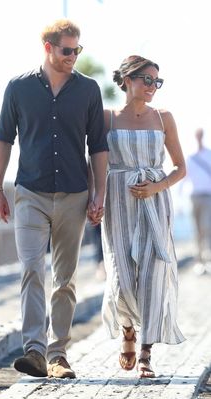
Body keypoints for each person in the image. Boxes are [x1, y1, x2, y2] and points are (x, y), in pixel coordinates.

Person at [0, 19, 108, 379]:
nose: (73, 56)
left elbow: (98, 146)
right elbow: (3, 139)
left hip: (74, 195)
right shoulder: (18, 87)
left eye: (77, 50)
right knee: (31, 270)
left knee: (66, 278)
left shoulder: (88, 90)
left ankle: (58, 354)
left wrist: (98, 193)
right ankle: (35, 351)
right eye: (67, 50)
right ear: (48, 48)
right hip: (29, 193)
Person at [101, 55, 186, 378]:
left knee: (153, 276)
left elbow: (180, 167)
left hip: (155, 204)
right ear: (126, 80)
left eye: (156, 81)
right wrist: (95, 199)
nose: (152, 87)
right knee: (121, 277)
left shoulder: (164, 118)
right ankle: (127, 328)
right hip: (118, 202)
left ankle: (147, 352)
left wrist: (156, 187)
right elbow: (95, 161)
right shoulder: (106, 118)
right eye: (146, 80)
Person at [186, 128, 211, 275]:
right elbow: (185, 178)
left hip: (207, 196)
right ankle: (199, 261)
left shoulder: (209, 155)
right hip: (194, 196)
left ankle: (207, 260)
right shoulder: (190, 157)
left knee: (206, 227)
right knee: (197, 229)